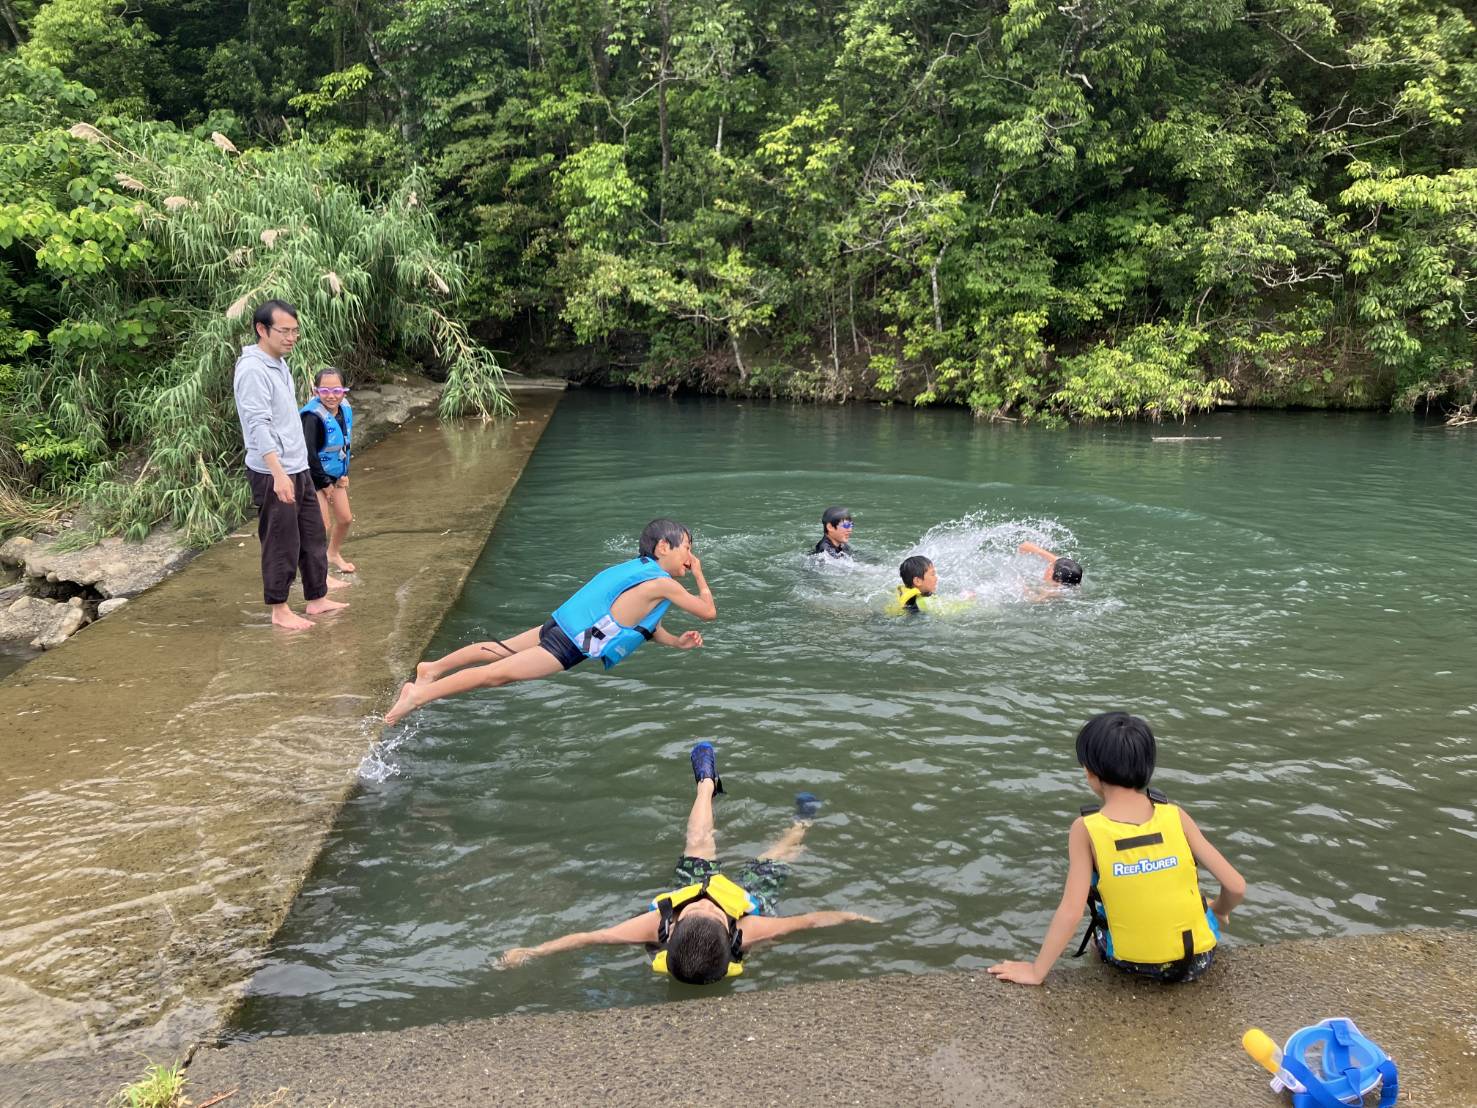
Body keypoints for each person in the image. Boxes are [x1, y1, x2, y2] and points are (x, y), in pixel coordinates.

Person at [499, 742, 874, 982]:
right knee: (770, 859)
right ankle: (758, 807)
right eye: (699, 913)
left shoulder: (663, 925)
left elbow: (591, 937)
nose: (702, 907)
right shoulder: (742, 930)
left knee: (728, 847)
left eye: (701, 913)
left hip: (736, 905)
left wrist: (535, 950)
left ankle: (771, 811)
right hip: (747, 901)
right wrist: (853, 916)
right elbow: (810, 921)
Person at [988, 711, 1246, 987]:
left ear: (1090, 772)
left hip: (1135, 966)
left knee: (1101, 928)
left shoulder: (1086, 828)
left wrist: (1037, 971)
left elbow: (1071, 911)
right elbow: (1236, 886)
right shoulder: (1174, 815)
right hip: (1198, 961)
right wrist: (1218, 910)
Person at [385, 519, 715, 725]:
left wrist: (675, 642)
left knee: (500, 650)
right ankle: (416, 697)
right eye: (687, 547)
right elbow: (707, 611)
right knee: (496, 675)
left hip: (561, 625)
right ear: (662, 547)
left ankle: (432, 669)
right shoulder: (664, 584)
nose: (691, 556)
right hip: (570, 643)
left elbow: (642, 625)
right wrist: (699, 575)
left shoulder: (640, 573)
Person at [232, 300, 349, 631]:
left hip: (297, 468)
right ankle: (279, 608)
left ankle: (317, 599)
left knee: (311, 535)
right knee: (280, 540)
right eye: (284, 331)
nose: (291, 337)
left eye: (295, 330)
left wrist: (299, 469)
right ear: (262, 329)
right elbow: (257, 424)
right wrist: (279, 473)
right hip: (273, 471)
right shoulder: (253, 369)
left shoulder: (278, 364)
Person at [301, 368, 356, 574]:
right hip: (312, 477)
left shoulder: (344, 410)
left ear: (345, 392)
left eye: (336, 390)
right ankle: (319, 575)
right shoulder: (312, 418)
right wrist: (324, 483)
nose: (331, 396)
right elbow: (308, 454)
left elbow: (345, 445)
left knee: (345, 519)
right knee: (321, 526)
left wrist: (344, 474)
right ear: (316, 392)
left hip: (335, 475)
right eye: (324, 390)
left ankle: (332, 554)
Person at [888, 555, 973, 615]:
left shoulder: (904, 592)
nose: (936, 578)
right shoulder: (924, 602)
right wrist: (968, 600)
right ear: (917, 581)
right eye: (932, 574)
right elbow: (950, 611)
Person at [1018, 541, 1083, 594]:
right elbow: (1025, 545)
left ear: (1058, 581)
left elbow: (1032, 600)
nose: (1049, 565)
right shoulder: (1062, 567)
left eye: (1051, 567)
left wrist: (1022, 587)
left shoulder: (1050, 593)